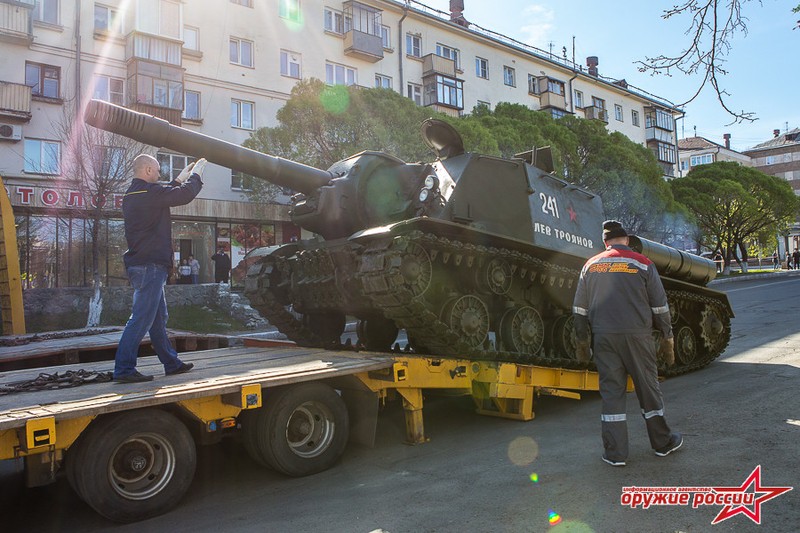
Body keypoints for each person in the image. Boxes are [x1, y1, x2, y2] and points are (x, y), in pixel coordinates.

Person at [572, 220, 682, 467]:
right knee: (647, 388)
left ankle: (615, 453)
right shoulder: (643, 263)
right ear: (628, 241)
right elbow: (659, 306)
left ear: (605, 242)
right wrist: (667, 337)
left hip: (604, 338)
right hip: (637, 337)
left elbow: (579, 309)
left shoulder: (590, 265)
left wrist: (582, 341)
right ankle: (662, 443)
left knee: (612, 393)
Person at [113, 154, 207, 383]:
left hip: (142, 265)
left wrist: (177, 181)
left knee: (156, 318)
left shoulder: (134, 194)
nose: (158, 174)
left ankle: (171, 363)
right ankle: (124, 369)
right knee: (141, 318)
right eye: (156, 170)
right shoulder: (149, 193)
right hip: (150, 266)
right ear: (146, 170)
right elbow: (183, 196)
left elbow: (163, 196)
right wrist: (196, 177)